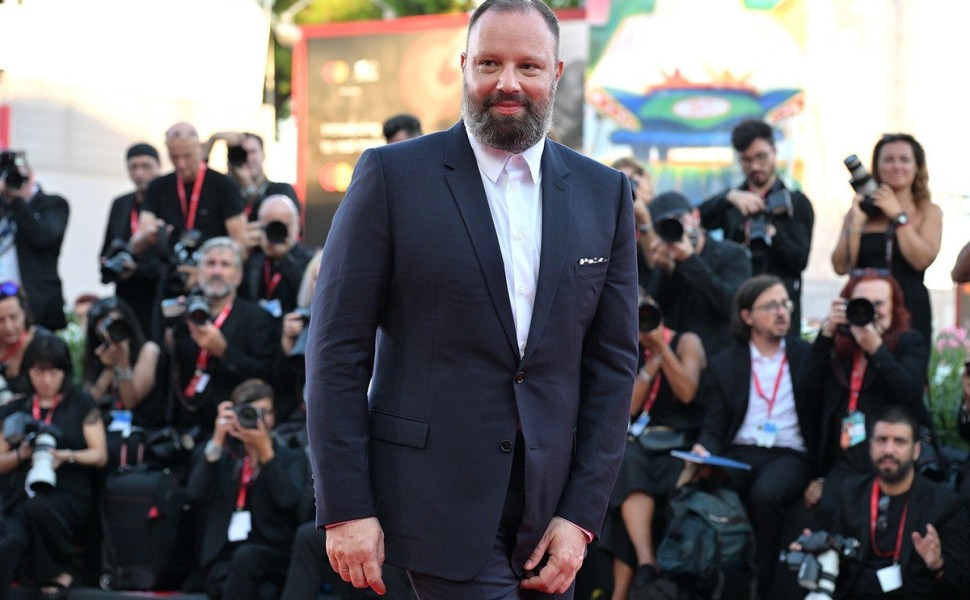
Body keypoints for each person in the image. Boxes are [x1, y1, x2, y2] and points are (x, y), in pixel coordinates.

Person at [305, 1, 639, 598]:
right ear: (463, 66)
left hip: (550, 514)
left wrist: (582, 516)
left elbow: (613, 365)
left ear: (556, 73)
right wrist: (345, 506)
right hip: (430, 503)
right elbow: (335, 351)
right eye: (489, 63)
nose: (507, 83)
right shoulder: (392, 177)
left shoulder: (604, 192)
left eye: (528, 67)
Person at [691, 274, 821, 598]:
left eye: (785, 304)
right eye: (771, 306)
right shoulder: (725, 363)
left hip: (788, 453)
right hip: (740, 452)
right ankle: (709, 577)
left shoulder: (807, 356)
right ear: (747, 316)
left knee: (765, 494)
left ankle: (764, 581)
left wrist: (822, 475)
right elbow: (714, 425)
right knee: (708, 484)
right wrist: (703, 448)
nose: (782, 312)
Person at [792, 407, 970, 599]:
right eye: (881, 440)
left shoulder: (944, 504)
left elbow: (962, 585)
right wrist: (816, 549)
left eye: (899, 441)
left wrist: (938, 565)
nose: (889, 450)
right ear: (870, 447)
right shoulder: (852, 492)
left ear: (916, 450)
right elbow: (837, 559)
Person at [602, 294, 706, 600]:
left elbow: (687, 391)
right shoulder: (627, 348)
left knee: (632, 483)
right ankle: (644, 562)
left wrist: (661, 348)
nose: (643, 321)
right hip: (641, 444)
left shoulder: (685, 341)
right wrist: (649, 363)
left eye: (648, 312)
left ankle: (627, 589)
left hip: (679, 443)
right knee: (625, 462)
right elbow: (629, 409)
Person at [807, 271, 929, 525]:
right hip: (844, 462)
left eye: (879, 304)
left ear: (895, 308)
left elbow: (908, 394)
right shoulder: (840, 348)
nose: (871, 311)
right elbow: (807, 391)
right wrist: (826, 334)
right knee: (828, 516)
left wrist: (876, 349)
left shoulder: (909, 342)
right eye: (862, 303)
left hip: (890, 459)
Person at [0, 333, 108, 599]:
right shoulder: (15, 406)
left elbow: (99, 454)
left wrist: (64, 456)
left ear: (65, 372)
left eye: (54, 371)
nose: (46, 380)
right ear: (29, 371)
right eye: (39, 371)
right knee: (14, 525)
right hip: (22, 488)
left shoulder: (81, 403)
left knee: (40, 508)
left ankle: (63, 570)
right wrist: (22, 455)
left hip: (69, 489)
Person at [186, 379, 311, 600]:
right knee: (263, 592)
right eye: (249, 412)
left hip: (271, 552)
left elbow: (290, 503)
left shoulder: (291, 457)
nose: (257, 419)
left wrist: (266, 454)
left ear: (273, 416)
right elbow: (194, 494)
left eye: (264, 412)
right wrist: (217, 438)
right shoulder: (223, 457)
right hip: (225, 556)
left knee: (248, 561)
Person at [699, 119, 814, 335]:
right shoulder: (732, 203)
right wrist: (729, 198)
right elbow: (694, 219)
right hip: (739, 309)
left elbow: (799, 261)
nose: (755, 166)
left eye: (761, 156)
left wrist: (773, 234)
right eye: (746, 160)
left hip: (781, 313)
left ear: (774, 151)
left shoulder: (795, 203)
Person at [831, 133, 941, 349]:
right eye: (888, 160)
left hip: (909, 306)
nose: (896, 166)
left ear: (917, 167)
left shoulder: (928, 211)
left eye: (904, 159)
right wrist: (856, 224)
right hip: (864, 308)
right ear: (877, 166)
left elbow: (921, 260)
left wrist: (898, 216)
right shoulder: (858, 210)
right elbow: (840, 266)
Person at [171, 237, 277, 433]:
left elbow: (267, 376)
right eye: (210, 263)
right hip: (182, 423)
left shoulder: (258, 318)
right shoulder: (183, 314)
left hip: (233, 425)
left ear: (238, 276)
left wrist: (224, 351)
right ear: (199, 272)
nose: (216, 271)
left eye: (225, 265)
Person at [131, 122, 247, 295]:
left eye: (187, 156)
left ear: (200, 150)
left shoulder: (224, 185)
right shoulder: (158, 186)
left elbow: (239, 243)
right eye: (174, 157)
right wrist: (150, 236)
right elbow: (138, 237)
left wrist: (205, 271)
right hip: (170, 279)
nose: (181, 164)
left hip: (212, 283)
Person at [643, 190, 751, 356]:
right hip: (680, 366)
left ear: (695, 216)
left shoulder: (732, 254)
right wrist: (665, 272)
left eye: (679, 221)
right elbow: (652, 318)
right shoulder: (667, 262)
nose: (676, 230)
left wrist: (689, 259)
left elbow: (734, 305)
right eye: (664, 226)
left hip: (720, 359)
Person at [81, 296, 166, 466]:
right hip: (105, 434)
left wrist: (122, 361)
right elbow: (87, 404)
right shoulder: (98, 356)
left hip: (140, 435)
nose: (113, 331)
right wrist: (108, 369)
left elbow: (130, 401)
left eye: (116, 323)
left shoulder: (148, 350)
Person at [99, 143, 165, 335]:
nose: (139, 173)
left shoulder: (167, 203)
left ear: (158, 166)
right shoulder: (121, 204)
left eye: (146, 166)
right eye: (133, 167)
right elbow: (108, 245)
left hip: (157, 296)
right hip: (126, 295)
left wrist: (138, 269)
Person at [0, 150, 69, 332]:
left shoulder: (54, 204)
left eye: (17, 176)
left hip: (37, 307)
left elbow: (43, 237)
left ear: (30, 174)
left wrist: (16, 200)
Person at [239, 194, 313, 319]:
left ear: (297, 225)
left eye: (283, 225)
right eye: (271, 226)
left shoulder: (310, 261)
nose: (277, 231)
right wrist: (241, 254)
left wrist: (283, 258)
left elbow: (307, 296)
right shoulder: (252, 258)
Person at [0, 282, 50, 401]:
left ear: (24, 314)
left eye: (14, 317)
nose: (8, 326)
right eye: (0, 320)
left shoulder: (44, 343)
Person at [611, 156, 655, 291]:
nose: (628, 189)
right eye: (622, 184)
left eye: (631, 181)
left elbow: (655, 264)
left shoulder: (664, 209)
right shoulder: (615, 219)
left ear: (645, 177)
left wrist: (645, 219)